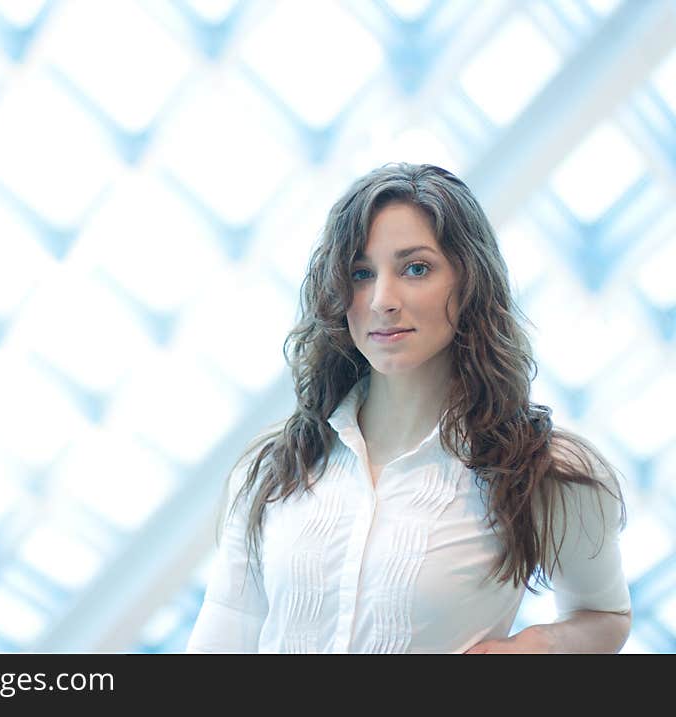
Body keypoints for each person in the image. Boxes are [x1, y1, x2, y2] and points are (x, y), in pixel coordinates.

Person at [186, 162, 631, 654]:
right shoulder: (274, 468)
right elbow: (224, 634)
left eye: (415, 268)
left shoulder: (540, 469)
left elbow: (605, 615)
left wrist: (536, 647)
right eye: (361, 273)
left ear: (468, 282)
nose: (382, 300)